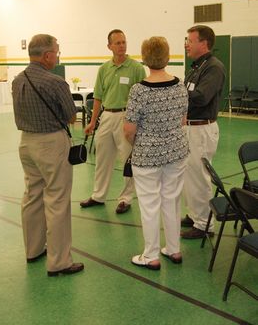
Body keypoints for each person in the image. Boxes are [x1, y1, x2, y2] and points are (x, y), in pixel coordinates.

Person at [12, 34, 84, 276]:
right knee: (57, 200)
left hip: (26, 144)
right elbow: (71, 116)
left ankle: (33, 250)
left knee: (32, 195)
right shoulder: (55, 82)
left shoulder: (17, 80)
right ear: (47, 55)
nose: (58, 54)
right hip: (51, 144)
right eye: (57, 51)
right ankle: (59, 261)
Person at [124, 36, 189, 269]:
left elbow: (129, 129)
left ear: (143, 59)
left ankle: (150, 255)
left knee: (149, 203)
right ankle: (174, 249)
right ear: (168, 57)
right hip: (176, 151)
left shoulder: (139, 91)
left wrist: (140, 143)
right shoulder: (180, 85)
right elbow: (183, 120)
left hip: (147, 156)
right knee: (172, 200)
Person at [80, 29, 146, 214]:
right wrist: (93, 122)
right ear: (109, 46)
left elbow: (142, 97)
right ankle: (98, 195)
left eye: (124, 42)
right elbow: (99, 97)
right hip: (106, 116)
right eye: (117, 43)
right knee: (102, 158)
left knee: (127, 159)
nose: (122, 46)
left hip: (127, 117)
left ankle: (126, 199)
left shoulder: (136, 68)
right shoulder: (104, 69)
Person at [181, 25, 225, 239]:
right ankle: (194, 213)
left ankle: (204, 224)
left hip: (202, 129)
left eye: (190, 40)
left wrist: (176, 93)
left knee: (199, 175)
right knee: (189, 174)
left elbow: (201, 97)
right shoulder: (196, 67)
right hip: (190, 128)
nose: (187, 44)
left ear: (204, 43)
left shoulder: (214, 67)